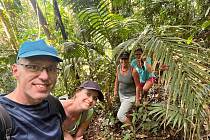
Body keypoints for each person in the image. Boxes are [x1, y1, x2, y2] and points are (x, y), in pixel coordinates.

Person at [0, 39, 66, 140]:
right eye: (33, 67)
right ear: (15, 71)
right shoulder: (3, 116)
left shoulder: (54, 104)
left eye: (51, 69)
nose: (45, 76)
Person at [114, 51, 141, 125]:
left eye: (125, 59)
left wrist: (137, 99)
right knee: (127, 112)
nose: (123, 61)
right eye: (122, 59)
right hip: (121, 94)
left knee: (120, 115)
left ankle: (132, 131)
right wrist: (115, 90)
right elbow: (117, 79)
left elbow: (138, 86)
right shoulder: (119, 67)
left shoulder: (133, 71)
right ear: (120, 59)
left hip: (130, 97)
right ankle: (129, 128)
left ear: (128, 59)